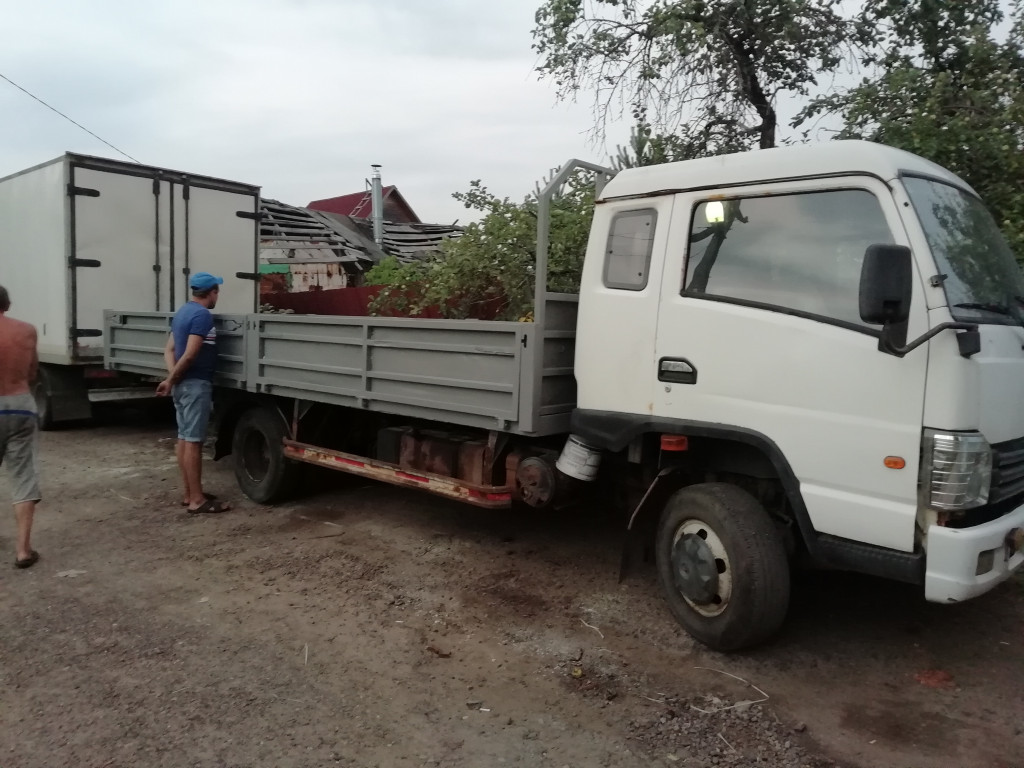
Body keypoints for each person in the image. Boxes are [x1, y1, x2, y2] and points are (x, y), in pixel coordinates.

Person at [157, 272, 231, 514]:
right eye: (216, 291)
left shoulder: (183, 312)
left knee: (184, 438)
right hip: (195, 384)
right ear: (212, 293)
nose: (217, 295)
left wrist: (173, 379)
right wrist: (172, 379)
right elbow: (189, 354)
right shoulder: (202, 316)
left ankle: (189, 494)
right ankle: (198, 500)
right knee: (194, 442)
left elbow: (169, 350)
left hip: (183, 384)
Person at [0, 285, 42, 568]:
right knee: (22, 475)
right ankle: (23, 550)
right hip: (19, 404)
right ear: (7, 303)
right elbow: (32, 371)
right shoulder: (26, 330)